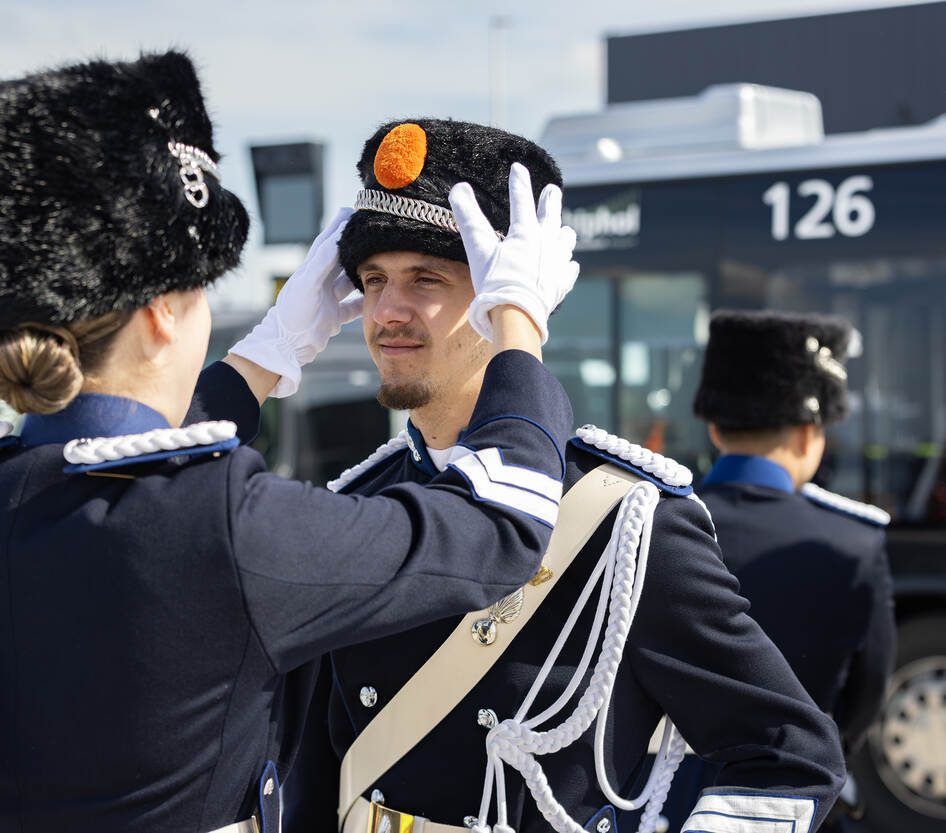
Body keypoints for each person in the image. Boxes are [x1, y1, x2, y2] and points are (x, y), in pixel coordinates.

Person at [0, 53, 584, 833]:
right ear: (163, 313)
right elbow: (501, 521)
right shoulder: (221, 523)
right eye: (200, 292)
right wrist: (518, 323)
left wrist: (267, 355)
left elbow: (133, 478)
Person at [283, 118, 847, 833]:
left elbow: (792, 756)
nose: (388, 311)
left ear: (505, 295)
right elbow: (313, 770)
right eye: (372, 280)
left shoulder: (624, 521)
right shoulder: (360, 500)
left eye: (426, 279)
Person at [657, 310, 896, 832]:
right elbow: (868, 690)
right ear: (811, 434)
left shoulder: (650, 522)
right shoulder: (855, 541)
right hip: (796, 805)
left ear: (715, 428)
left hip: (662, 803)